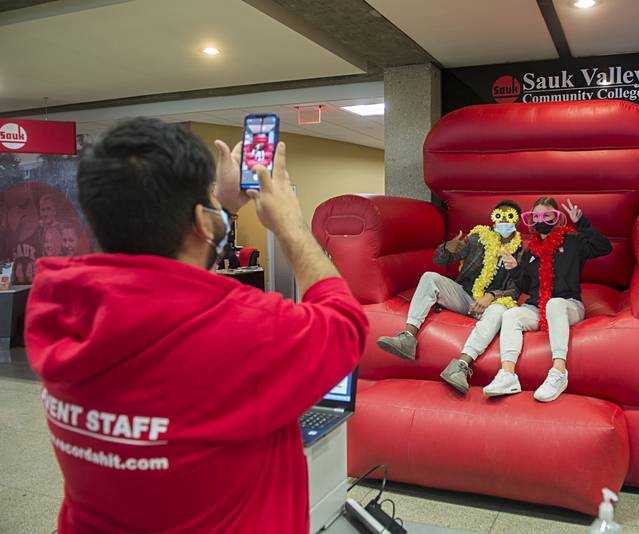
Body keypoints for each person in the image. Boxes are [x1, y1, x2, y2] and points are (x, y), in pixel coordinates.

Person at [24, 118, 368, 533]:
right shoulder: (246, 330)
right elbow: (346, 325)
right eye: (207, 199)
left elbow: (166, 275)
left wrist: (220, 205)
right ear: (200, 223)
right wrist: (290, 225)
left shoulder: (58, 305)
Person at [377, 200, 524, 394]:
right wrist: (448, 248)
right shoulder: (477, 238)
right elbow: (440, 260)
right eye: (499, 216)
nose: (503, 221)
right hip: (464, 295)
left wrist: (491, 295)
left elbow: (518, 288)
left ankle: (461, 367)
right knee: (430, 278)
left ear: (517, 222)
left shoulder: (521, 250)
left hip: (492, 305)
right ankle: (408, 337)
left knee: (499, 312)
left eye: (509, 217)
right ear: (493, 219)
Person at [494, 197, 612, 402]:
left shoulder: (573, 241)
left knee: (554, 304)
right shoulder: (530, 251)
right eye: (536, 216)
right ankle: (507, 375)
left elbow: (604, 247)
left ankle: (558, 372)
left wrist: (581, 221)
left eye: (547, 215)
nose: (541, 220)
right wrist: (514, 269)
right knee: (511, 314)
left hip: (568, 305)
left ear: (557, 218)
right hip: (538, 307)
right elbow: (525, 287)